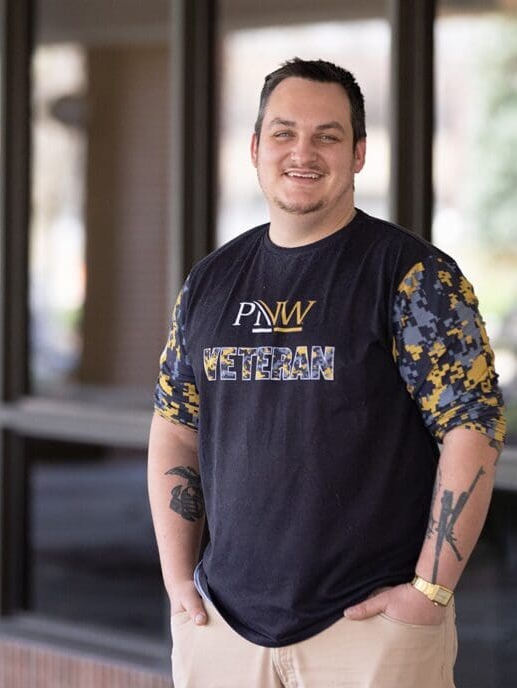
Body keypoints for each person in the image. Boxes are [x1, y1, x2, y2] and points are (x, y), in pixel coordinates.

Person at [147, 58, 506, 688]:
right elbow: (176, 426)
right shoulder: (210, 282)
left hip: (367, 636)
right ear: (256, 148)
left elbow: (471, 428)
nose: (302, 152)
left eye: (328, 135)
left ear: (359, 153)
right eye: (284, 133)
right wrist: (179, 583)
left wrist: (430, 592)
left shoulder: (414, 277)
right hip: (223, 632)